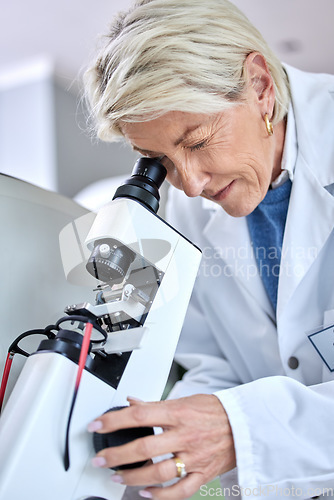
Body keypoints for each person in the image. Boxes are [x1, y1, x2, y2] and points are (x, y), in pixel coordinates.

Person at [84, 0, 334, 498]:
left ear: (260, 87)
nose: (191, 184)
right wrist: (168, 432)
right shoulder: (184, 211)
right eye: (160, 161)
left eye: (197, 141)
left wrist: (243, 430)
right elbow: (217, 360)